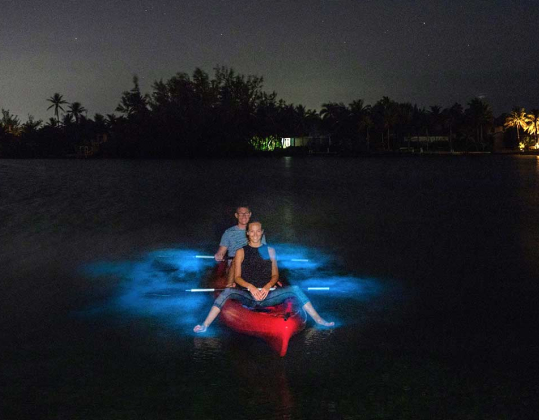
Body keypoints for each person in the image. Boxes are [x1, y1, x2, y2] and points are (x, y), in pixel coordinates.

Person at [194, 221, 333, 333]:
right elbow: (237, 277)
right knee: (227, 292)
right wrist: (252, 288)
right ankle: (205, 325)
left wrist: (266, 288)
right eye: (252, 231)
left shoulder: (271, 251)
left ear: (261, 232)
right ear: (248, 233)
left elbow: (275, 275)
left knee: (295, 289)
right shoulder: (240, 252)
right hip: (248, 296)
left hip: (268, 296)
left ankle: (319, 319)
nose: (255, 234)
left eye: (258, 231)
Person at [214, 206, 265, 287]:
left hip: (252, 262)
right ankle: (229, 287)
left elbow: (264, 251)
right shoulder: (228, 232)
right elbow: (221, 252)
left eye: (246, 213)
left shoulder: (258, 232)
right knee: (237, 259)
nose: (244, 216)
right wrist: (218, 255)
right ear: (236, 215)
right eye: (241, 214)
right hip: (234, 264)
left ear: (250, 214)